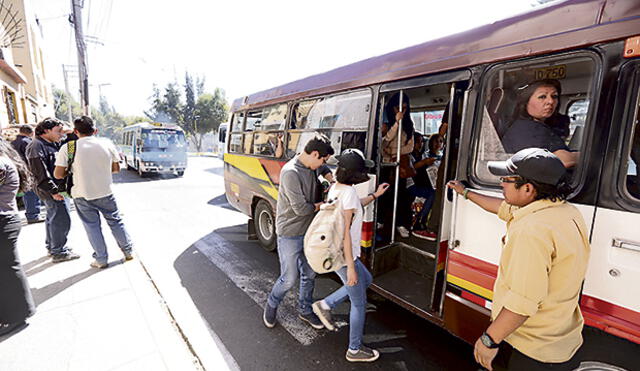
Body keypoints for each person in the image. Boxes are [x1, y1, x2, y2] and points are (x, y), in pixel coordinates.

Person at [447, 148, 590, 371]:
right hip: (558, 341)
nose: (501, 184)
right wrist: (465, 193)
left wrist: (489, 340)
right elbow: (502, 208)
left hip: (528, 348)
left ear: (528, 188)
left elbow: (523, 301)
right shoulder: (563, 211)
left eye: (506, 179)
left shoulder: (531, 230)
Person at [312, 149, 389, 362]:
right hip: (345, 256)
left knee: (367, 280)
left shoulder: (337, 189)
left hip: (336, 252)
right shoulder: (348, 193)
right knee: (359, 303)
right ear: (356, 174)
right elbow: (345, 232)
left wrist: (374, 195)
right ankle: (354, 349)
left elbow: (352, 208)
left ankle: (325, 304)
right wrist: (351, 267)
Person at [263, 134, 335, 329]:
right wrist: (324, 205)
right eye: (322, 159)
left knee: (310, 273)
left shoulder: (312, 163)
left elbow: (323, 167)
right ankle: (271, 304)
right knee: (288, 278)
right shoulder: (290, 172)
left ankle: (305, 310)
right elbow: (301, 209)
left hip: (309, 231)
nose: (322, 164)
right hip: (290, 233)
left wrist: (330, 178)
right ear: (313, 153)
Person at [53, 116, 134, 269]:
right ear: (95, 130)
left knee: (92, 227)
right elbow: (116, 169)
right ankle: (128, 251)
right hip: (105, 191)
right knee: (116, 221)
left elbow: (58, 174)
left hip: (81, 194)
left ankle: (101, 260)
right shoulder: (107, 144)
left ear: (76, 131)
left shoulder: (68, 147)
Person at [26, 118, 79, 263]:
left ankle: (53, 247)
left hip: (54, 188)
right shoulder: (36, 146)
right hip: (51, 190)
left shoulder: (51, 143)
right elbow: (40, 172)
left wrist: (67, 131)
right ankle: (59, 251)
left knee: (53, 218)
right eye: (58, 131)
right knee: (61, 219)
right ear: (46, 130)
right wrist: (54, 191)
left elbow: (72, 142)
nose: (61, 134)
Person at [0, 140, 36, 337]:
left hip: (3, 222)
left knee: (7, 270)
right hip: (5, 220)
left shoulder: (1, 164)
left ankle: (16, 317)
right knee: (6, 269)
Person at [501, 79, 579, 168]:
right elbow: (562, 161)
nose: (550, 101)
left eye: (554, 96)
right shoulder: (526, 129)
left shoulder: (541, 127)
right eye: (542, 97)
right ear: (526, 102)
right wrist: (583, 156)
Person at [379, 92, 415, 239]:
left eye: (405, 108)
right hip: (387, 165)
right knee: (384, 194)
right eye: (398, 108)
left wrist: (394, 152)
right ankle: (380, 221)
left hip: (400, 164)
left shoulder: (409, 124)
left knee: (401, 196)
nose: (401, 111)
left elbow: (410, 147)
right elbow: (384, 142)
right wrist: (396, 123)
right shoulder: (388, 123)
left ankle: (401, 224)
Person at [410, 133, 443, 239]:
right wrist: (425, 162)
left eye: (421, 142)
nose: (420, 145)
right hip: (416, 185)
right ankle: (421, 220)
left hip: (431, 184)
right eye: (417, 142)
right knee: (432, 194)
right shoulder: (420, 156)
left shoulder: (440, 157)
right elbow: (414, 169)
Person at [10, 125, 43, 224]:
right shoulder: (28, 142)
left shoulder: (12, 142)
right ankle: (33, 215)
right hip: (28, 170)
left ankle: (31, 214)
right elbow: (31, 157)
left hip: (17, 170)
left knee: (25, 193)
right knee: (32, 193)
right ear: (31, 132)